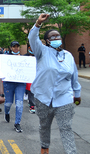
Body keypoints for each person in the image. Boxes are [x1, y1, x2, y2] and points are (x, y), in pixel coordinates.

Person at [28, 13, 81, 154]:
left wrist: (77, 93)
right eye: (52, 37)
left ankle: (71, 152)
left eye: (57, 36)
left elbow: (74, 76)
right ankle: (44, 147)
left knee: (66, 127)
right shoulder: (41, 52)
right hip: (43, 97)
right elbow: (32, 38)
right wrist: (38, 23)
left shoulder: (68, 56)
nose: (56, 38)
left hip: (64, 97)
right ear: (46, 41)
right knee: (44, 126)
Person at [3, 41, 26, 133]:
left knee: (19, 103)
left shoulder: (25, 58)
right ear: (11, 48)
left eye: (17, 46)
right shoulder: (6, 58)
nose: (16, 48)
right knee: (8, 103)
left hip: (20, 83)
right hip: (9, 83)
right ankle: (7, 112)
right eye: (14, 47)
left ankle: (17, 123)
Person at [24, 44, 36, 114]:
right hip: (28, 77)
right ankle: (32, 105)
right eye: (30, 47)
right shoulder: (25, 56)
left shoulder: (38, 56)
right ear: (28, 48)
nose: (32, 49)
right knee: (30, 91)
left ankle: (32, 102)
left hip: (37, 76)